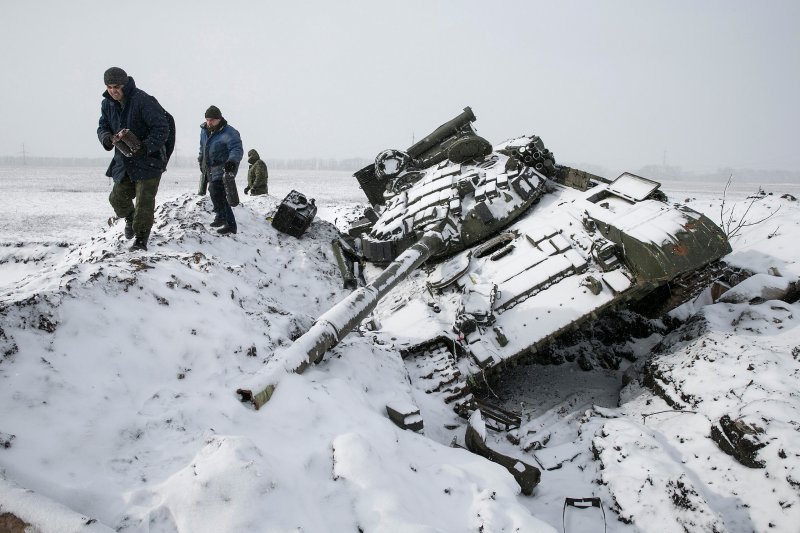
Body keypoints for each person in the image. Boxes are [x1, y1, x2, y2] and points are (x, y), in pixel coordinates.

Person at [97, 67, 170, 251]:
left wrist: (145, 147)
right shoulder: (107, 104)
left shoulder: (143, 101)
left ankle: (141, 240)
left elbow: (162, 128)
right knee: (117, 198)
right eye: (109, 86)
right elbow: (102, 126)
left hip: (149, 161)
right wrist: (106, 137)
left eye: (116, 86)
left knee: (144, 202)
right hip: (124, 160)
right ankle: (130, 219)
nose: (113, 91)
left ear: (125, 84)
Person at [198, 106, 243, 234]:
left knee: (216, 190)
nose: (209, 122)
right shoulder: (204, 130)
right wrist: (201, 160)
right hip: (210, 168)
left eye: (212, 120)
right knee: (216, 193)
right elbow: (202, 147)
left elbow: (236, 149)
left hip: (225, 167)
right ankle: (223, 218)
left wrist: (232, 162)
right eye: (207, 119)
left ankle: (226, 221)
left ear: (219, 119)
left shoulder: (229, 132)